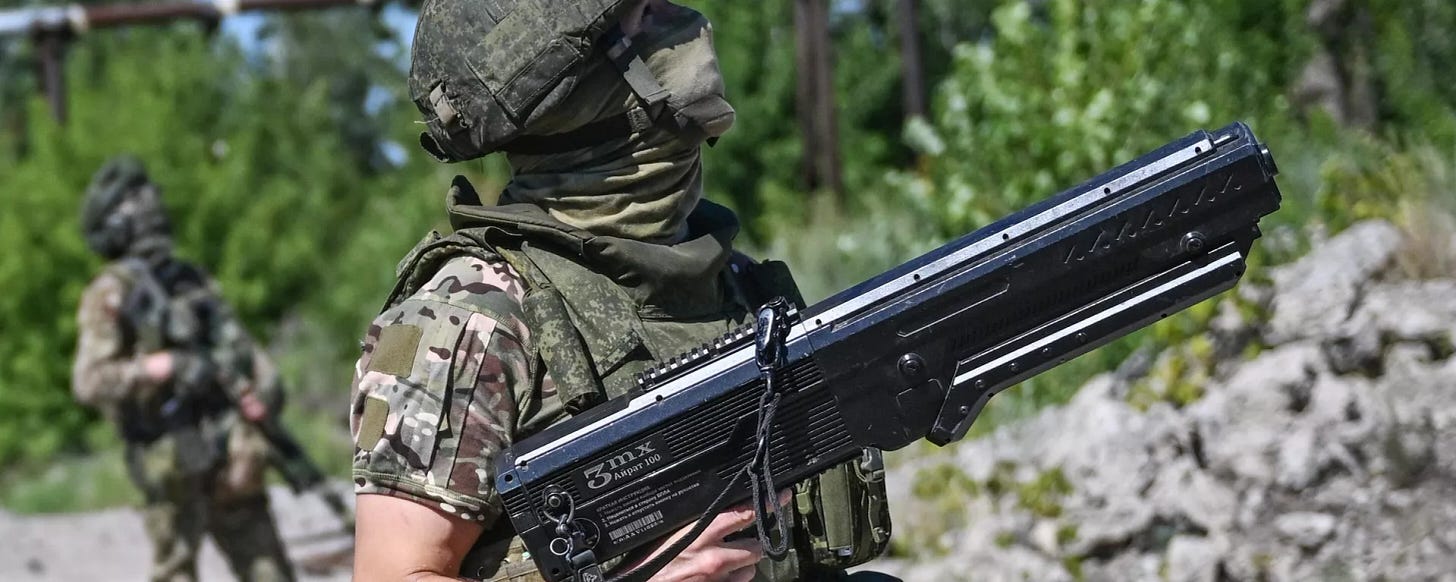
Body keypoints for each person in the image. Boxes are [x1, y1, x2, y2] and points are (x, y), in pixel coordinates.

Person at [350, 1, 892, 581]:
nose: (681, 18)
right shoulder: (470, 320)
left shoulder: (736, 282)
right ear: (562, 85)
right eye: (642, 13)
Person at [72, 156, 296, 582]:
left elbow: (239, 347)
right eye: (136, 200)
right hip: (169, 457)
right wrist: (160, 367)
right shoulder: (110, 292)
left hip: (229, 453)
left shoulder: (189, 278)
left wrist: (261, 391)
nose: (151, 204)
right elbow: (89, 381)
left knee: (270, 572)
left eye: (147, 194)